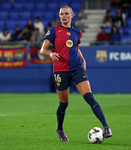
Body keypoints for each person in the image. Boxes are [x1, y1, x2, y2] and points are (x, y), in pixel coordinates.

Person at [40, 6, 112, 142]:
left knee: (89, 97)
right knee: (63, 104)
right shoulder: (54, 30)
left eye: (66, 13)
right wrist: (50, 53)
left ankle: (106, 127)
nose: (64, 16)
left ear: (72, 15)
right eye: (62, 14)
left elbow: (76, 48)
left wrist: (83, 59)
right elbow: (42, 50)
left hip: (76, 68)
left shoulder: (77, 32)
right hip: (60, 70)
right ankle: (60, 130)